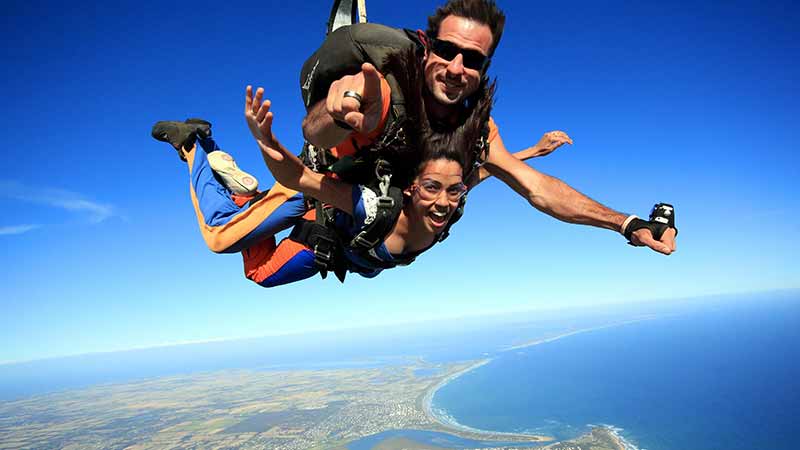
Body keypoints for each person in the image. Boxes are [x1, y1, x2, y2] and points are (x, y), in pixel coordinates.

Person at [298, 0, 678, 254]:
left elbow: (536, 187)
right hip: (333, 181)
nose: (456, 68)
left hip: (388, 213)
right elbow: (314, 132)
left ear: (485, 68)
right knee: (264, 271)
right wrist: (337, 114)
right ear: (427, 49)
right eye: (446, 51)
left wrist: (624, 223)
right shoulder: (382, 90)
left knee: (447, 184)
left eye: (473, 59)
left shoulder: (477, 129)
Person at [151, 82, 494, 287]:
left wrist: (527, 155)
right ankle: (193, 145)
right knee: (218, 237)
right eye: (433, 189)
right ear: (410, 190)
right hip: (310, 198)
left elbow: (475, 176)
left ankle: (245, 198)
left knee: (259, 271)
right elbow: (304, 178)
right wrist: (267, 143)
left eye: (451, 193)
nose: (443, 202)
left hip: (324, 243)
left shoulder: (446, 208)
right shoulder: (373, 210)